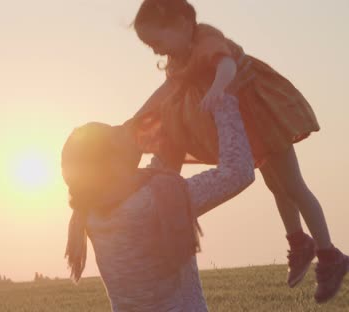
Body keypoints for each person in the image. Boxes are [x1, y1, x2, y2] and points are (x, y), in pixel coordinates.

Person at [129, 0, 348, 302]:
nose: (155, 50)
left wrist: (218, 87)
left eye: (157, 41)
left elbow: (227, 64)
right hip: (246, 125)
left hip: (263, 115)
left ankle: (329, 255)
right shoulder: (179, 60)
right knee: (277, 187)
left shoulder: (205, 38)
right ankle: (299, 243)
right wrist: (133, 122)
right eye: (149, 45)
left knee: (293, 186)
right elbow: (166, 94)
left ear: (181, 23)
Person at [61, 95, 254, 311]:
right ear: (112, 164)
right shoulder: (151, 201)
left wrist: (174, 111)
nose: (126, 135)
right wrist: (222, 101)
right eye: (117, 137)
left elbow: (161, 168)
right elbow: (238, 172)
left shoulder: (90, 211)